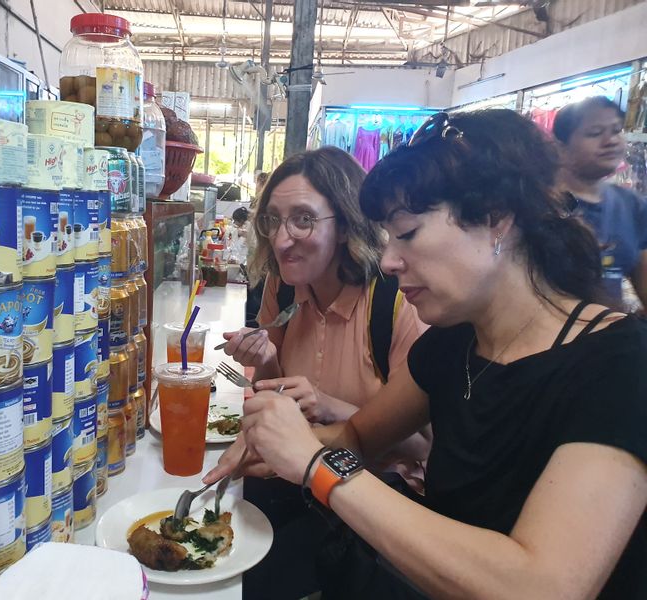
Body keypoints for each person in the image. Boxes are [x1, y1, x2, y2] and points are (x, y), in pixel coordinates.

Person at [207, 110, 647, 599]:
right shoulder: (453, 340)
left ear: (497, 217)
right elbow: (355, 436)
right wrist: (273, 444)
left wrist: (315, 463)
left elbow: (542, 586)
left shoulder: (620, 363)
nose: (390, 261)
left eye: (408, 233)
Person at [219, 146, 430, 600]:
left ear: (347, 223)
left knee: (252, 582)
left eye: (303, 219)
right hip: (299, 480)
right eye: (273, 220)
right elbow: (273, 395)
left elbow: (425, 447)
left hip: (371, 501)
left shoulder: (397, 303)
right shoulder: (284, 283)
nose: (281, 240)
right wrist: (265, 363)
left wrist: (331, 407)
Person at [553, 96, 647, 309]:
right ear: (561, 147)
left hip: (608, 336)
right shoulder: (538, 205)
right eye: (595, 133)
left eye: (616, 130)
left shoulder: (631, 206)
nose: (611, 140)